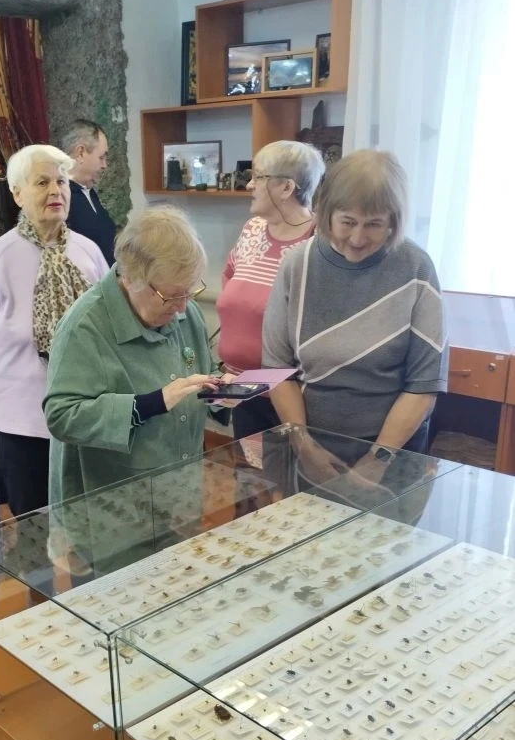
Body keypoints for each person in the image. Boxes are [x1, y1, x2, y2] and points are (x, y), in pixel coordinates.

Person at [43, 205, 230, 573]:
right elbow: (62, 415)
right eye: (171, 296)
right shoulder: (85, 326)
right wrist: (152, 403)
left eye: (190, 292)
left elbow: (198, 376)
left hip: (178, 502)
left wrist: (221, 392)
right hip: (113, 519)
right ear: (130, 279)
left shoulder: (183, 312)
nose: (182, 308)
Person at [263, 148, 448, 483]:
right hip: (308, 452)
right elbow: (277, 369)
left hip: (393, 457)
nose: (358, 238)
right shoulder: (296, 266)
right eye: (347, 222)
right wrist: (305, 447)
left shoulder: (417, 269)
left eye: (374, 224)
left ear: (394, 221)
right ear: (326, 212)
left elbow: (424, 384)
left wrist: (378, 459)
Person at [0, 144, 108, 520]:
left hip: (86, 413)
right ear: (17, 194)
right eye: (42, 182)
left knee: (89, 521)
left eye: (61, 182)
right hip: (21, 423)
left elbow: (110, 325)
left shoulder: (89, 252)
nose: (55, 191)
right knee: (35, 529)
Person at [216, 140, 324, 442]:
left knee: (291, 470)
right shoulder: (252, 228)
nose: (250, 184)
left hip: (291, 396)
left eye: (258, 176)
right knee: (250, 471)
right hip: (242, 390)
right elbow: (229, 279)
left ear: (286, 187)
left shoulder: (318, 242)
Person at [62, 119, 116, 266]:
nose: (105, 165)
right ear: (80, 153)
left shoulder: (89, 193)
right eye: (101, 157)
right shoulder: (62, 199)